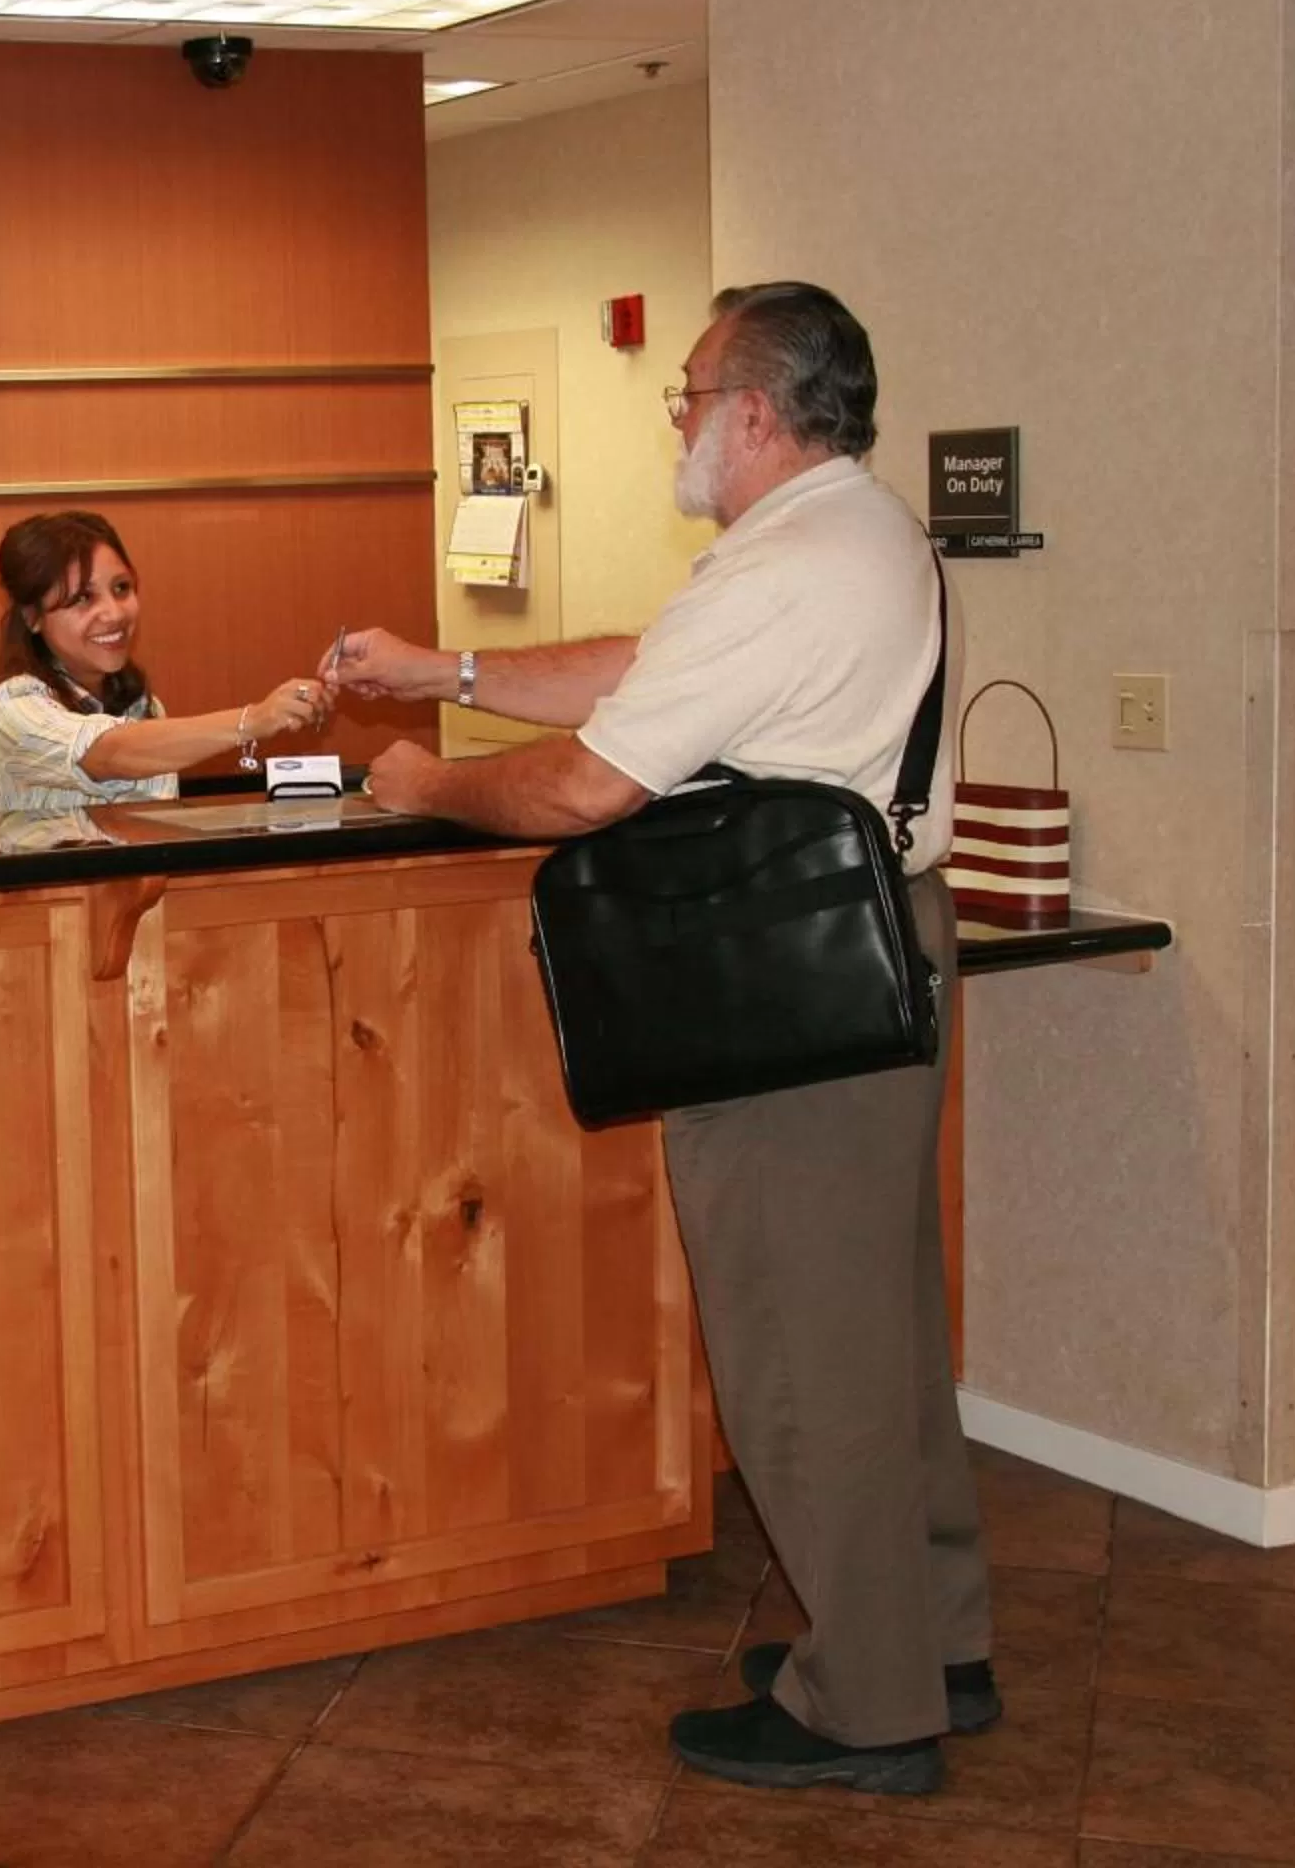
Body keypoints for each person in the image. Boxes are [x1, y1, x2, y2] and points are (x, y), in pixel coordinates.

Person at [325, 282, 992, 1797]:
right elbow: (649, 665)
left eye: (690, 393)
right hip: (886, 950)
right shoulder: (857, 531)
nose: (678, 419)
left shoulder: (783, 567)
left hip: (793, 997)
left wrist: (430, 786)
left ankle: (868, 1707)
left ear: (755, 414)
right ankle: (935, 1640)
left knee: (799, 1351)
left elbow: (580, 793)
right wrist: (454, 673)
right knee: (881, 1336)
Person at [0, 509, 328, 814]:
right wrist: (254, 719)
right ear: (32, 617)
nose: (114, 614)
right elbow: (109, 753)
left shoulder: (143, 706)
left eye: (121, 588)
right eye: (83, 598)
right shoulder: (17, 704)